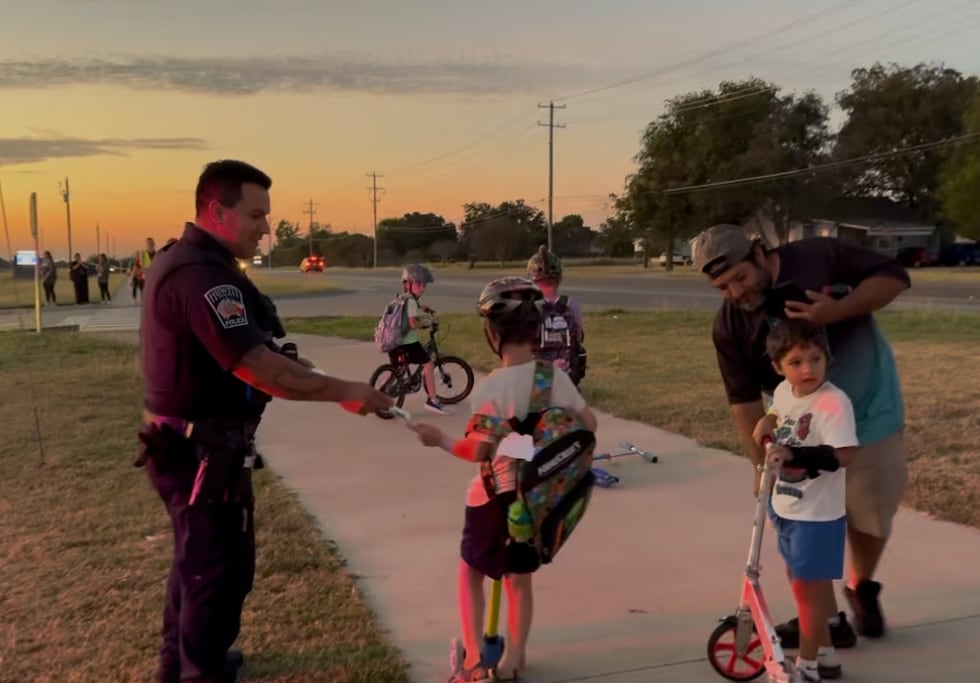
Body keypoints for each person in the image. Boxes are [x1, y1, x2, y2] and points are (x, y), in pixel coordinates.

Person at [137, 159, 392, 683]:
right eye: (256, 215)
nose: (266, 228)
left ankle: (181, 663)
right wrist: (346, 392)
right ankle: (199, 672)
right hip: (199, 452)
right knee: (217, 571)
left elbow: (253, 348)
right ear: (217, 211)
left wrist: (291, 361)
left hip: (190, 445)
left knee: (196, 560)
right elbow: (258, 368)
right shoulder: (202, 276)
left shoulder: (192, 263)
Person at [692, 223, 911, 649]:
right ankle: (827, 623)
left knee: (870, 515)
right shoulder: (730, 327)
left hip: (868, 412)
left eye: (739, 277)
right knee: (805, 529)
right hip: (801, 434)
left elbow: (894, 280)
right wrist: (760, 465)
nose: (735, 293)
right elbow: (745, 403)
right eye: (722, 287)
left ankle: (861, 584)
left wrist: (837, 310)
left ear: (758, 254)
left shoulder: (818, 256)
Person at [409, 277, 597, 683]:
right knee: (519, 581)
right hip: (537, 502)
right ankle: (515, 657)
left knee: (470, 572)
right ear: (536, 332)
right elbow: (589, 424)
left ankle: (475, 659)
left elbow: (477, 451)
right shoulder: (554, 378)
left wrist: (438, 438)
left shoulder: (492, 387)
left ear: (492, 335)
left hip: (492, 498)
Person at [754, 318, 858, 682]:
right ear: (778, 367)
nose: (808, 369)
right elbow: (778, 410)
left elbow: (844, 454)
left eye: (815, 359)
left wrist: (795, 455)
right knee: (801, 585)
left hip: (817, 516)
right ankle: (827, 656)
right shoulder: (785, 391)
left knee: (808, 595)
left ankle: (808, 668)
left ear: (827, 358)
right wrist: (767, 420)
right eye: (796, 363)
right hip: (786, 507)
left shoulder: (833, 402)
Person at [391, 263, 451, 415]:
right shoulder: (411, 301)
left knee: (399, 371)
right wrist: (426, 322)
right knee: (428, 365)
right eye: (419, 284)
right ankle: (433, 401)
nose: (422, 287)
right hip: (408, 343)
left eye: (424, 284)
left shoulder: (403, 297)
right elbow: (412, 323)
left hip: (395, 342)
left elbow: (413, 306)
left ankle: (390, 388)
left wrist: (423, 308)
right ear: (409, 283)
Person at [525, 245, 586, 385]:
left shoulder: (529, 306)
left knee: (540, 403)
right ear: (559, 277)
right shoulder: (571, 305)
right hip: (568, 373)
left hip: (540, 376)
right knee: (570, 404)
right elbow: (580, 336)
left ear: (532, 278)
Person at [131, 237, 157, 304]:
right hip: (143, 277)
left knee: (152, 292)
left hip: (153, 277)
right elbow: (136, 266)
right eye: (148, 243)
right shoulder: (142, 254)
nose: (150, 244)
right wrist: (132, 278)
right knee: (144, 292)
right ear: (146, 244)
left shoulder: (157, 254)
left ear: (154, 244)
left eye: (151, 243)